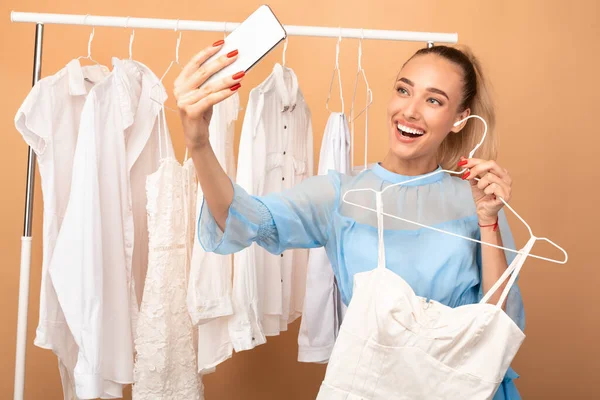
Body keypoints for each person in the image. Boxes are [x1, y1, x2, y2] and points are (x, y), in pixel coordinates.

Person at [174, 41, 524, 399]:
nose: (411, 111)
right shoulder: (340, 195)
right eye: (404, 90)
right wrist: (198, 142)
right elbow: (241, 219)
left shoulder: (477, 201)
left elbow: (498, 324)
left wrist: (487, 221)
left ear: (460, 119)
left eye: (433, 100)